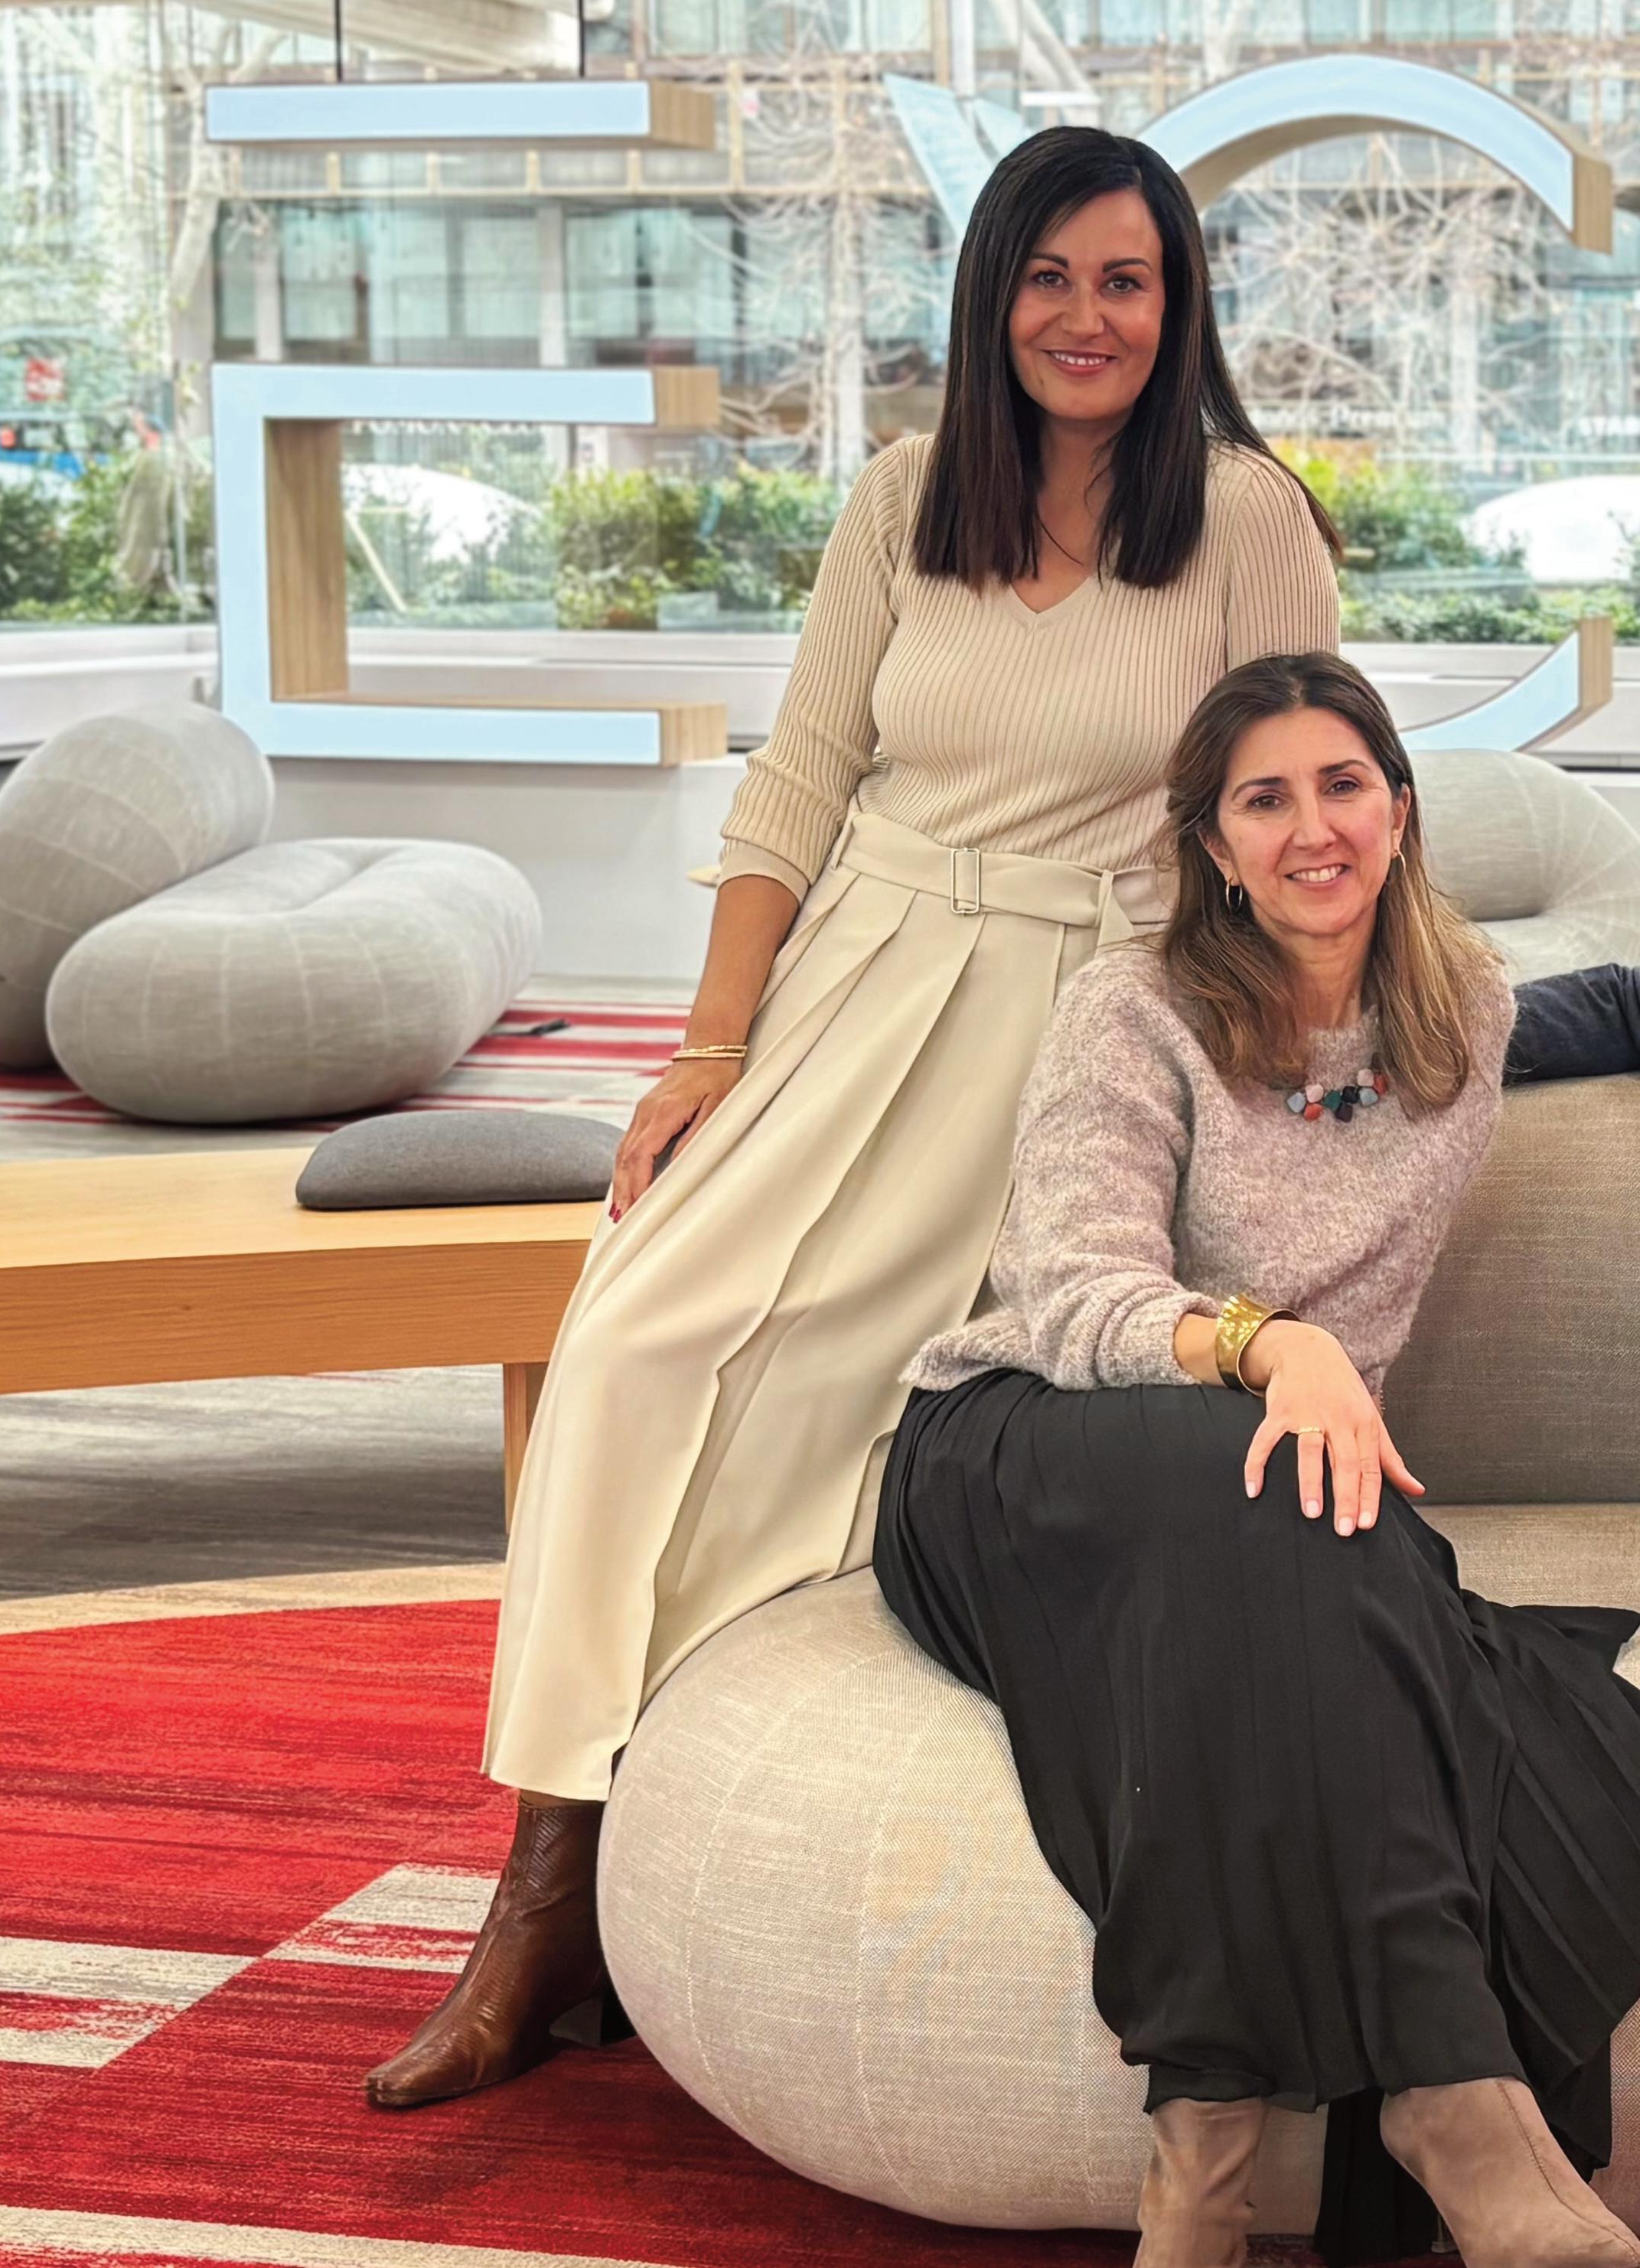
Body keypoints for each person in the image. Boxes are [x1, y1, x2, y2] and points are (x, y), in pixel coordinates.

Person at [364, 125, 1345, 2110]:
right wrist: (706, 1049)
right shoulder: (905, 494)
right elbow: (799, 783)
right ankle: (543, 1875)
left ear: (1178, 305)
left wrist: (1281, 1070)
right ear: (990, 296)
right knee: (633, 1334)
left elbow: (1300, 798)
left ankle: (622, 1867)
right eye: (1049, 276)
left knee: (845, 1393)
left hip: (1080, 1016)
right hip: (857, 980)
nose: (1086, 316)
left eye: (1128, 278)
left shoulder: (1246, 516)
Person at [873, 648, 1640, 2268]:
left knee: (1312, 1573)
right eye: (1264, 800)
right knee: (1270, 1492)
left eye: (1343, 785)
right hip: (1030, 1454)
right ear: (1214, 848)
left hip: (1282, 1499)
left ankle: (1203, 2169)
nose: (1312, 829)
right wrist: (1272, 1345)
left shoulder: (1464, 1017)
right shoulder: (1131, 1008)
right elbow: (1072, 1291)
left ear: (1399, 810)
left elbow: (1623, 1001)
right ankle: (1455, 2109)